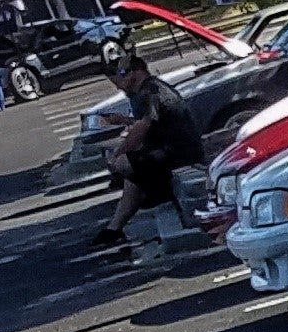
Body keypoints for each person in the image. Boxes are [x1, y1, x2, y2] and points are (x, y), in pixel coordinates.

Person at [90, 43, 211, 265]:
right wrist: (124, 122)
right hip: (174, 149)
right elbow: (148, 124)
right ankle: (114, 228)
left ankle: (152, 199)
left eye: (121, 78)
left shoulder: (148, 93)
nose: (119, 86)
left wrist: (119, 152)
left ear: (136, 73)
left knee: (126, 165)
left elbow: (143, 127)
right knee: (131, 172)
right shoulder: (151, 89)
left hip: (179, 153)